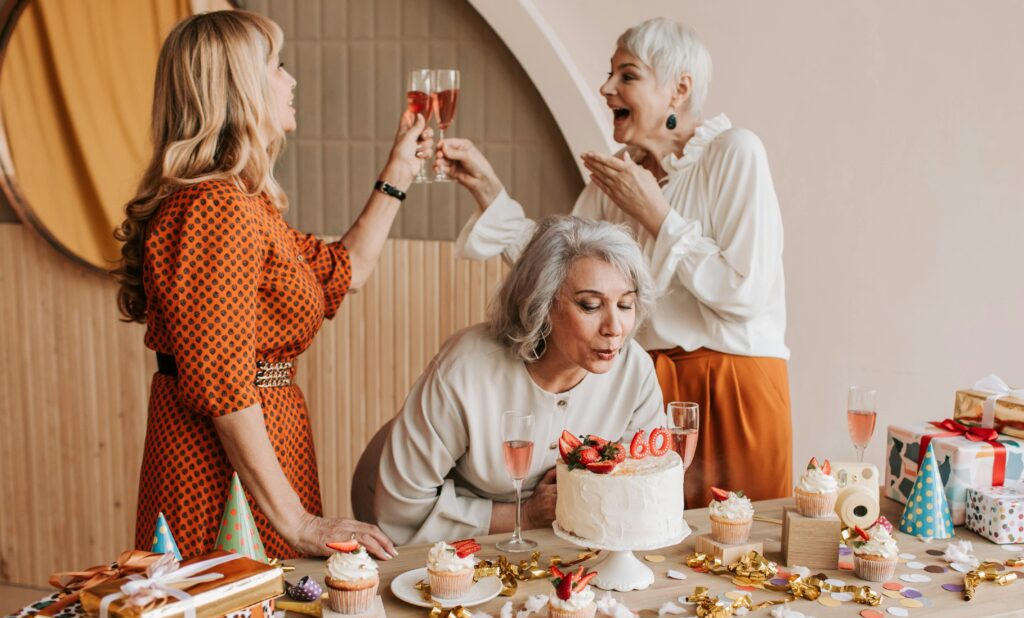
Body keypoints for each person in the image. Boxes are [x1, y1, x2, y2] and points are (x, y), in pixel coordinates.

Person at [436, 17, 791, 508]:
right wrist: (487, 190)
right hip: (648, 387)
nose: (606, 89)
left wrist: (654, 213)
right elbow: (558, 265)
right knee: (651, 543)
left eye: (627, 75)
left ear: (679, 89)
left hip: (734, 385)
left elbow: (745, 294)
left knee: (745, 554)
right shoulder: (619, 176)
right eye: (610, 74)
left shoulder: (735, 153)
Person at [114, 10, 431, 560]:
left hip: (265, 445)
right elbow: (226, 385)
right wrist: (298, 521)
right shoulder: (215, 208)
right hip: (217, 465)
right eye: (277, 66)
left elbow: (342, 272)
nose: (292, 80)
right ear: (237, 87)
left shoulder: (245, 201)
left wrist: (398, 173)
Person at [357, 216, 665, 545]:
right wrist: (528, 515)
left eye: (625, 305)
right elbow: (401, 509)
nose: (614, 327)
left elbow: (644, 481)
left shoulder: (634, 369)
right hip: (408, 516)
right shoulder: (466, 370)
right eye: (590, 305)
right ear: (542, 303)